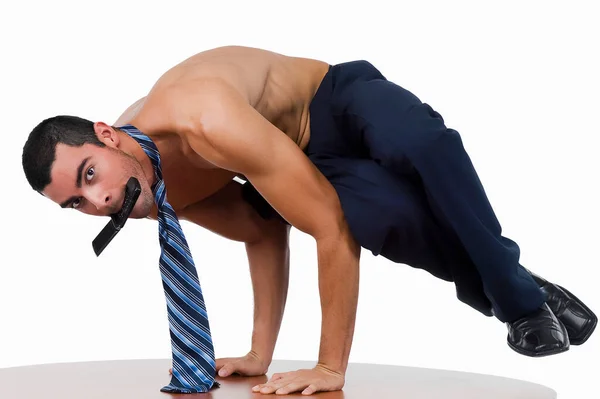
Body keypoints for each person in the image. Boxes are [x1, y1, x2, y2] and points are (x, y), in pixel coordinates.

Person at [21, 45, 596, 396]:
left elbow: (323, 227)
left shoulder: (203, 121)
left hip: (332, 101)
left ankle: (517, 299)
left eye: (89, 176)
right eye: (75, 203)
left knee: (422, 144)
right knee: (389, 221)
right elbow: (264, 231)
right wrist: (259, 353)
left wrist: (329, 366)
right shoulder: (145, 187)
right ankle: (524, 288)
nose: (95, 204)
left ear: (106, 134)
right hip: (302, 163)